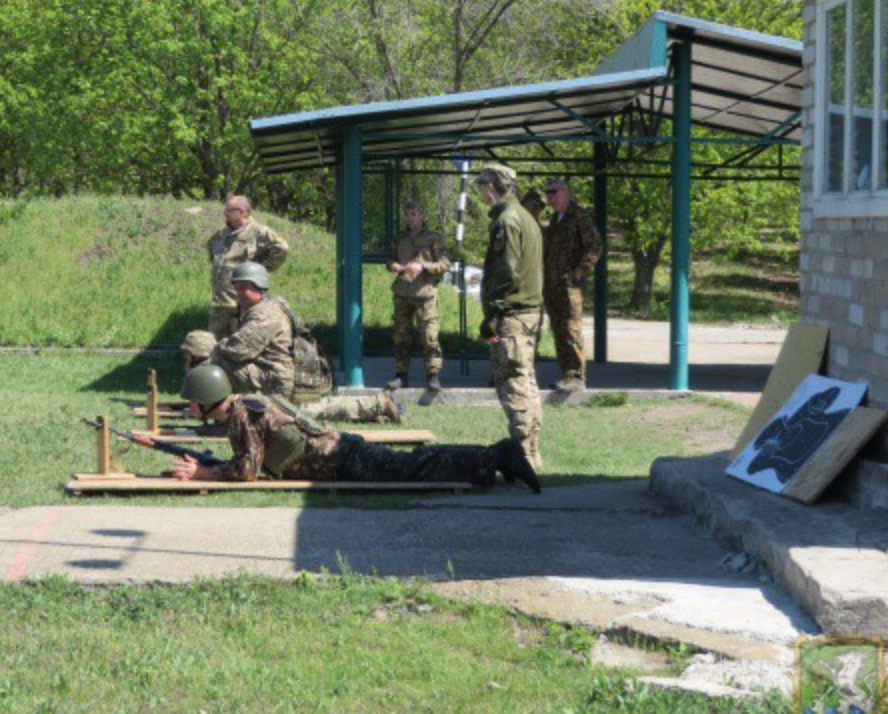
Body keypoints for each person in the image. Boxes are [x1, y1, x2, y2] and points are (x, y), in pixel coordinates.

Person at [168, 364, 541, 493]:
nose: (190, 405)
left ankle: (497, 455)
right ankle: (487, 466)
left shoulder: (241, 415)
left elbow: (248, 470)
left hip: (340, 460)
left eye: (192, 399)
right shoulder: (246, 405)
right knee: (415, 465)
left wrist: (205, 471)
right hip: (341, 453)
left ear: (204, 398)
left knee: (415, 468)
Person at [185, 265, 400, 424]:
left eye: (242, 288)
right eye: (236, 287)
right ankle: (377, 405)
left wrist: (215, 348)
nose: (238, 293)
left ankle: (212, 408)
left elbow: (239, 350)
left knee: (218, 361)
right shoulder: (265, 308)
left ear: (258, 287)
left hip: (278, 380)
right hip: (278, 375)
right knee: (309, 411)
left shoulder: (265, 315)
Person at [476, 164, 544, 469]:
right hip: (528, 312)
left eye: (481, 183)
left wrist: (492, 311)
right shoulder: (526, 217)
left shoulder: (507, 219)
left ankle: (523, 455)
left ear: (491, 186)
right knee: (526, 381)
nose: (479, 190)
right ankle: (531, 450)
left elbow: (507, 271)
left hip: (513, 314)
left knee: (514, 384)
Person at [542, 179, 602, 393]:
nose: (551, 198)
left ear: (566, 193)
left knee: (571, 328)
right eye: (547, 194)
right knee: (558, 329)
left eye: (554, 192)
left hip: (568, 285)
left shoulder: (579, 215)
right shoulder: (555, 219)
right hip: (552, 284)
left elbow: (594, 246)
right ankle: (566, 374)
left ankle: (577, 375)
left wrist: (578, 273)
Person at [385, 201, 450, 392]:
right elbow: (389, 260)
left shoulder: (433, 238)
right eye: (408, 214)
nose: (410, 218)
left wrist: (423, 267)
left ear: (422, 215)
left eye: (414, 214)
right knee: (401, 336)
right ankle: (400, 376)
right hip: (402, 293)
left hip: (425, 294)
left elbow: (445, 263)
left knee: (429, 336)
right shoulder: (399, 238)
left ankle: (433, 376)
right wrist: (393, 266)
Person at [207, 194, 289, 339]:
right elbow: (211, 251)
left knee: (242, 344)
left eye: (229, 209)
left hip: (242, 304)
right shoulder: (221, 234)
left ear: (242, 211)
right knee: (216, 347)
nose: (225, 213)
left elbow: (281, 247)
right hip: (220, 303)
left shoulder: (258, 232)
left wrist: (260, 269)